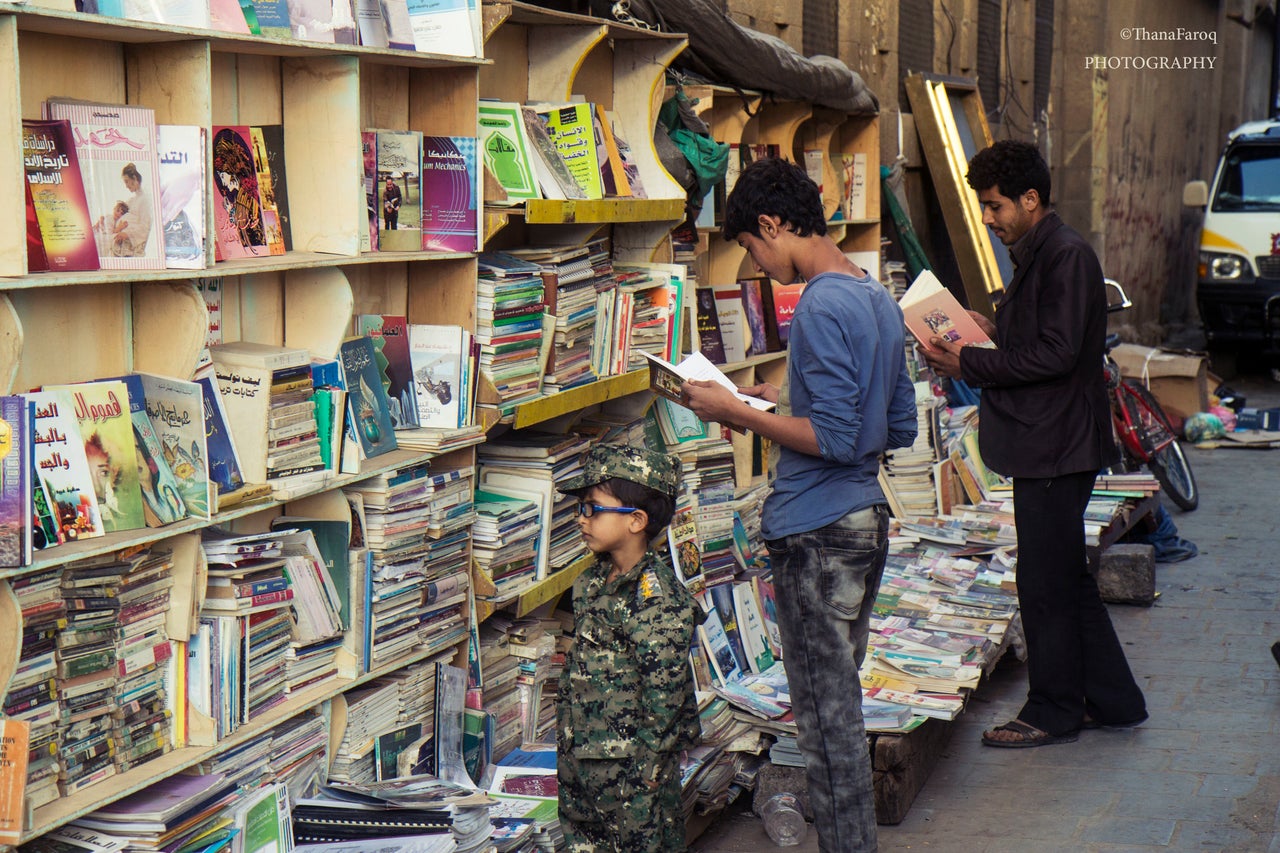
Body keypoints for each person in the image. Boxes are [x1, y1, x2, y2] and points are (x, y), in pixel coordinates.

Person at [682, 157, 918, 853]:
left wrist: (734, 409)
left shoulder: (819, 302)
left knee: (825, 718)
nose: (758, 265)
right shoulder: (873, 295)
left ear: (772, 223)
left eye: (753, 249)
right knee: (837, 701)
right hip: (863, 522)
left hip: (816, 531)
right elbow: (897, 426)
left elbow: (835, 437)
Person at [918, 139, 1148, 747]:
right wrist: (989, 331)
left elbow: (1057, 353)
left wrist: (970, 360)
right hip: (1047, 441)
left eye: (995, 207)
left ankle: (1052, 711)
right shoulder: (1040, 254)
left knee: (1045, 584)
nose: (989, 220)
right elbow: (1045, 335)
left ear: (1030, 199)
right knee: (1065, 576)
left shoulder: (1064, 255)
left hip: (1056, 444)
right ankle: (1113, 701)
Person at [555, 444, 702, 853]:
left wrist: (647, 773)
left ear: (636, 520)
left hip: (631, 772)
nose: (580, 519)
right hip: (582, 756)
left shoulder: (656, 599)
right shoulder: (592, 581)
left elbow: (665, 694)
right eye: (581, 508)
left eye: (592, 509)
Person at [116, 163, 153, 255]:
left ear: (135, 179)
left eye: (127, 181)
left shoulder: (145, 200)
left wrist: (127, 234)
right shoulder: (132, 200)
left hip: (130, 241)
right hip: (121, 235)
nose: (126, 185)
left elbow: (145, 226)